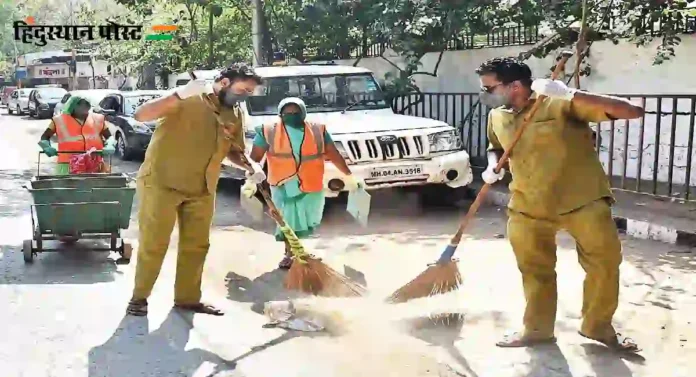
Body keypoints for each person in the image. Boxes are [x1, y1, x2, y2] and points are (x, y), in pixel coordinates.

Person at [476, 57, 644, 352]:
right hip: (528, 204)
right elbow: (497, 147)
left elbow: (631, 111)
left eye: (489, 87)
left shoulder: (557, 103)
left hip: (582, 200)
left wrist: (569, 94)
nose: (484, 93)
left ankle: (597, 326)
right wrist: (493, 165)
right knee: (534, 269)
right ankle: (537, 329)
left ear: (515, 85)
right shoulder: (497, 116)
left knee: (604, 265)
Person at [125, 64, 265, 317]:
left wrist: (251, 165)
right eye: (243, 89)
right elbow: (141, 115)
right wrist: (178, 95)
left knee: (197, 245)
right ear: (224, 82)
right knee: (154, 243)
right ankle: (139, 298)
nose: (245, 96)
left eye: (250, 92)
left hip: (203, 187)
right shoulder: (189, 99)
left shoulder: (234, 114)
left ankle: (187, 299)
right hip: (162, 183)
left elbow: (234, 150)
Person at [244, 97, 363, 269]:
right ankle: (289, 253)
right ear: (280, 114)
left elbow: (334, 154)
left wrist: (349, 176)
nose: (291, 116)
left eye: (295, 112)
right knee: (287, 219)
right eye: (287, 113)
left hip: (311, 182)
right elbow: (254, 159)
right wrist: (250, 181)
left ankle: (297, 249)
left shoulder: (317, 131)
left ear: (303, 112)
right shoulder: (268, 131)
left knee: (309, 218)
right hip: (283, 183)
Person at [38, 94, 116, 175]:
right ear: (72, 106)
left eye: (87, 104)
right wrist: (46, 146)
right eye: (80, 104)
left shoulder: (98, 119)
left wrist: (110, 144)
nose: (84, 107)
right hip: (67, 166)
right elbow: (45, 136)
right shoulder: (59, 120)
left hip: (94, 165)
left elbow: (109, 136)